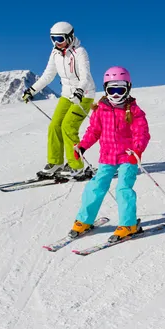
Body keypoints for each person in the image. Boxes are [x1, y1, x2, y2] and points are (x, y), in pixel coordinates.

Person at [68, 66, 151, 242]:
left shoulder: (135, 111)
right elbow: (94, 131)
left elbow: (141, 133)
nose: (115, 94)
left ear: (127, 88)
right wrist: (83, 146)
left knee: (123, 189)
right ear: (105, 89)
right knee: (95, 186)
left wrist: (137, 150)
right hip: (107, 156)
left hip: (127, 157)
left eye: (119, 89)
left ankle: (128, 225)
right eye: (111, 89)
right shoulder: (100, 109)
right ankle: (84, 220)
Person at [22, 21, 96, 178]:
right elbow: (48, 75)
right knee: (54, 125)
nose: (57, 43)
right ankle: (55, 163)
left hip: (84, 94)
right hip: (66, 95)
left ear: (70, 37)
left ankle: (77, 166)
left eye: (60, 39)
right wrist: (32, 90)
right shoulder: (55, 53)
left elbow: (85, 77)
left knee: (68, 127)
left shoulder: (80, 52)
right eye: (53, 39)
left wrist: (79, 92)